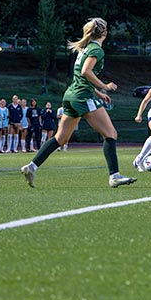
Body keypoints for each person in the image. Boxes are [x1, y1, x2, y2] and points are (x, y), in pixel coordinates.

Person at [21, 18, 135, 188]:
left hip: (71, 95)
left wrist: (98, 94)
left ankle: (32, 166)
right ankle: (114, 176)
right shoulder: (96, 49)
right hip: (82, 97)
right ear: (104, 33)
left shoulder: (85, 48)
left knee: (60, 138)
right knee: (111, 134)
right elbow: (86, 72)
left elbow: (80, 76)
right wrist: (104, 87)